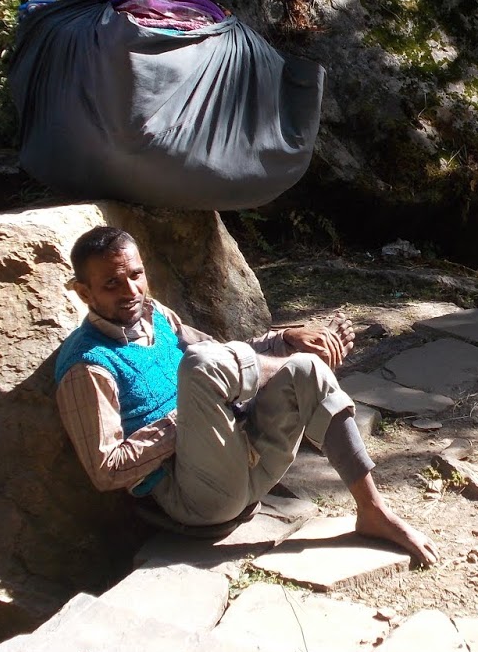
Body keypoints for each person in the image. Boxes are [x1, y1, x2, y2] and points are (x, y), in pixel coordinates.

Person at [54, 225, 436, 563]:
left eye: (137, 275)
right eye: (111, 284)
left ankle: (373, 511)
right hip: (195, 500)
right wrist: (187, 420)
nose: (131, 290)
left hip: (249, 467)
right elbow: (106, 470)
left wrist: (284, 340)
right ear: (85, 294)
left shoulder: (157, 316)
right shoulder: (88, 366)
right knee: (204, 367)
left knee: (305, 368)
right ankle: (288, 367)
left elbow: (222, 357)